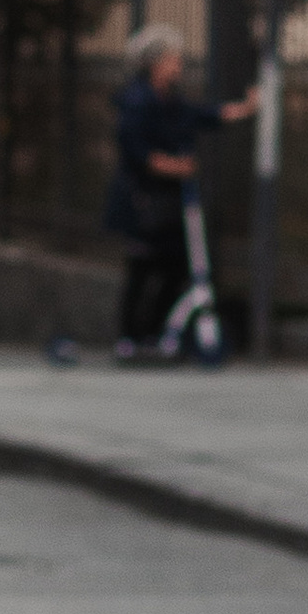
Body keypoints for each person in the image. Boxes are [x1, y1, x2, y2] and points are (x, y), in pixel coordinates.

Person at [105, 24, 259, 361]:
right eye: (173, 60)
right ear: (155, 62)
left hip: (169, 203)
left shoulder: (170, 101)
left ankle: (155, 334)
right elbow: (136, 150)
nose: (179, 66)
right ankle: (130, 338)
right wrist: (174, 166)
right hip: (143, 202)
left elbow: (202, 115)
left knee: (174, 268)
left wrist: (243, 110)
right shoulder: (137, 101)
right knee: (142, 269)